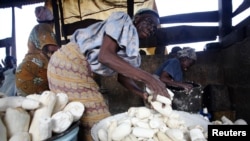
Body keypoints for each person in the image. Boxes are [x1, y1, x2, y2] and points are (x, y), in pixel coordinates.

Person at [47, 8, 170, 141]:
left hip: (78, 69)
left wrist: (143, 94)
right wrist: (150, 79)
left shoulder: (132, 52)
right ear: (137, 18)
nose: (152, 28)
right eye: (149, 22)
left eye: (155, 28)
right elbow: (105, 56)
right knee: (100, 124)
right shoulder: (123, 20)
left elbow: (123, 78)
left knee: (79, 120)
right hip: (69, 62)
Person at [15, 6, 59, 96]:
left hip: (26, 71)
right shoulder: (44, 27)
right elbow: (51, 47)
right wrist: (68, 50)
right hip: (33, 72)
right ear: (52, 22)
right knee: (40, 103)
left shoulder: (37, 27)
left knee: (31, 105)